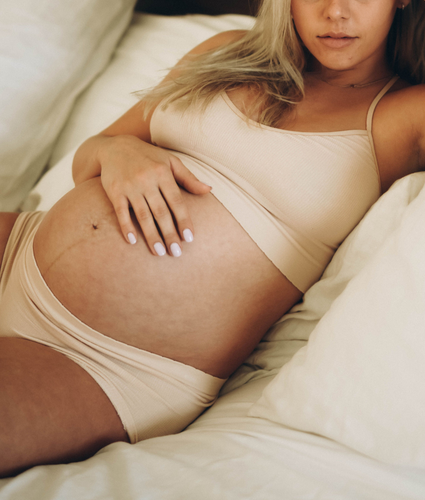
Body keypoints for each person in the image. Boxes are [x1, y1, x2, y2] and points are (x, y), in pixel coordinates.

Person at [1, 0, 424, 478]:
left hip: (104, 364)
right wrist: (118, 151)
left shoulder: (403, 115)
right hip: (17, 247)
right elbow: (89, 157)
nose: (336, 11)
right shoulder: (225, 53)